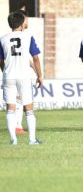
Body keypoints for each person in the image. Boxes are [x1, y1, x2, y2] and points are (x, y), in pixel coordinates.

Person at [0, 11, 43, 145]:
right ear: (21, 23)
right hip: (23, 76)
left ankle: (13, 140)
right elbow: (35, 58)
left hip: (9, 76)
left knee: (10, 108)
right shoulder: (28, 37)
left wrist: (5, 71)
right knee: (28, 108)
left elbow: (1, 60)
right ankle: (32, 139)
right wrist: (39, 75)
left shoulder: (2, 39)